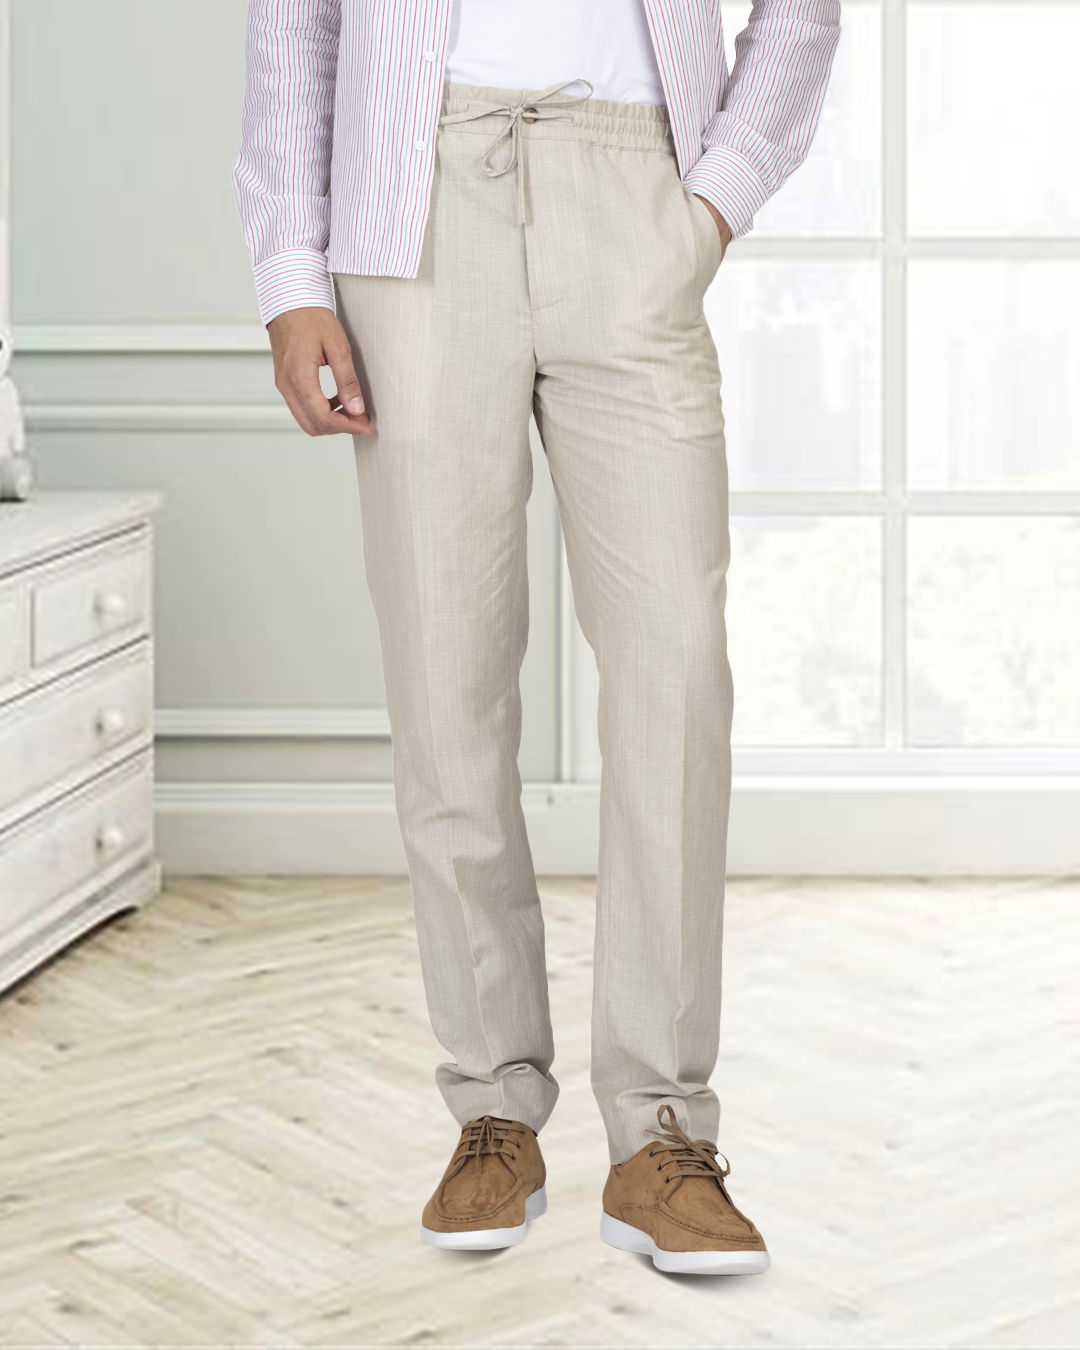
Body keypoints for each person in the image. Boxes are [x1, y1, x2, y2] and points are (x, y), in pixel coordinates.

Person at [234, 0, 840, 1276]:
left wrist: (716, 198)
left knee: (677, 674)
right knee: (444, 680)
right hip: (412, 208)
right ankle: (493, 1108)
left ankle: (661, 1130)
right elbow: (294, 26)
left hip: (639, 186)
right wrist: (291, 278)